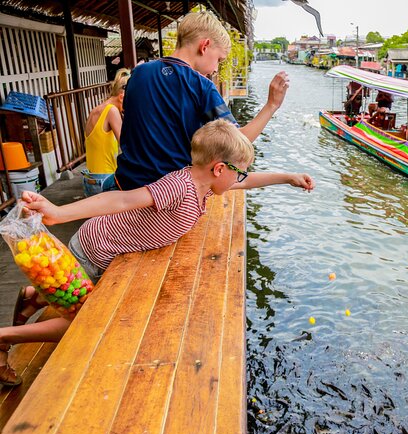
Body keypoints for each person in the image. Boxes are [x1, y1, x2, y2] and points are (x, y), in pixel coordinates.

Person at [0, 120, 315, 386]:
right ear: (220, 168)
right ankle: (6, 337)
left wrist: (287, 178)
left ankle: (32, 298)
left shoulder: (205, 184)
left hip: (107, 251)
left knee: (71, 299)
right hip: (94, 251)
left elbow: (245, 184)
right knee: (84, 324)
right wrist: (59, 212)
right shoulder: (180, 186)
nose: (241, 178)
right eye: (239, 172)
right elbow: (122, 201)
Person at [114, 10, 291, 191]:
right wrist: (272, 105)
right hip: (168, 195)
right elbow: (238, 143)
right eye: (219, 60)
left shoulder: (138, 73)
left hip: (125, 186)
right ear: (204, 46)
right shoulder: (201, 87)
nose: (215, 69)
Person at [82, 68, 131, 197]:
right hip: (105, 180)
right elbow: (126, 145)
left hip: (90, 179)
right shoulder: (112, 111)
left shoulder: (96, 110)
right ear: (122, 97)